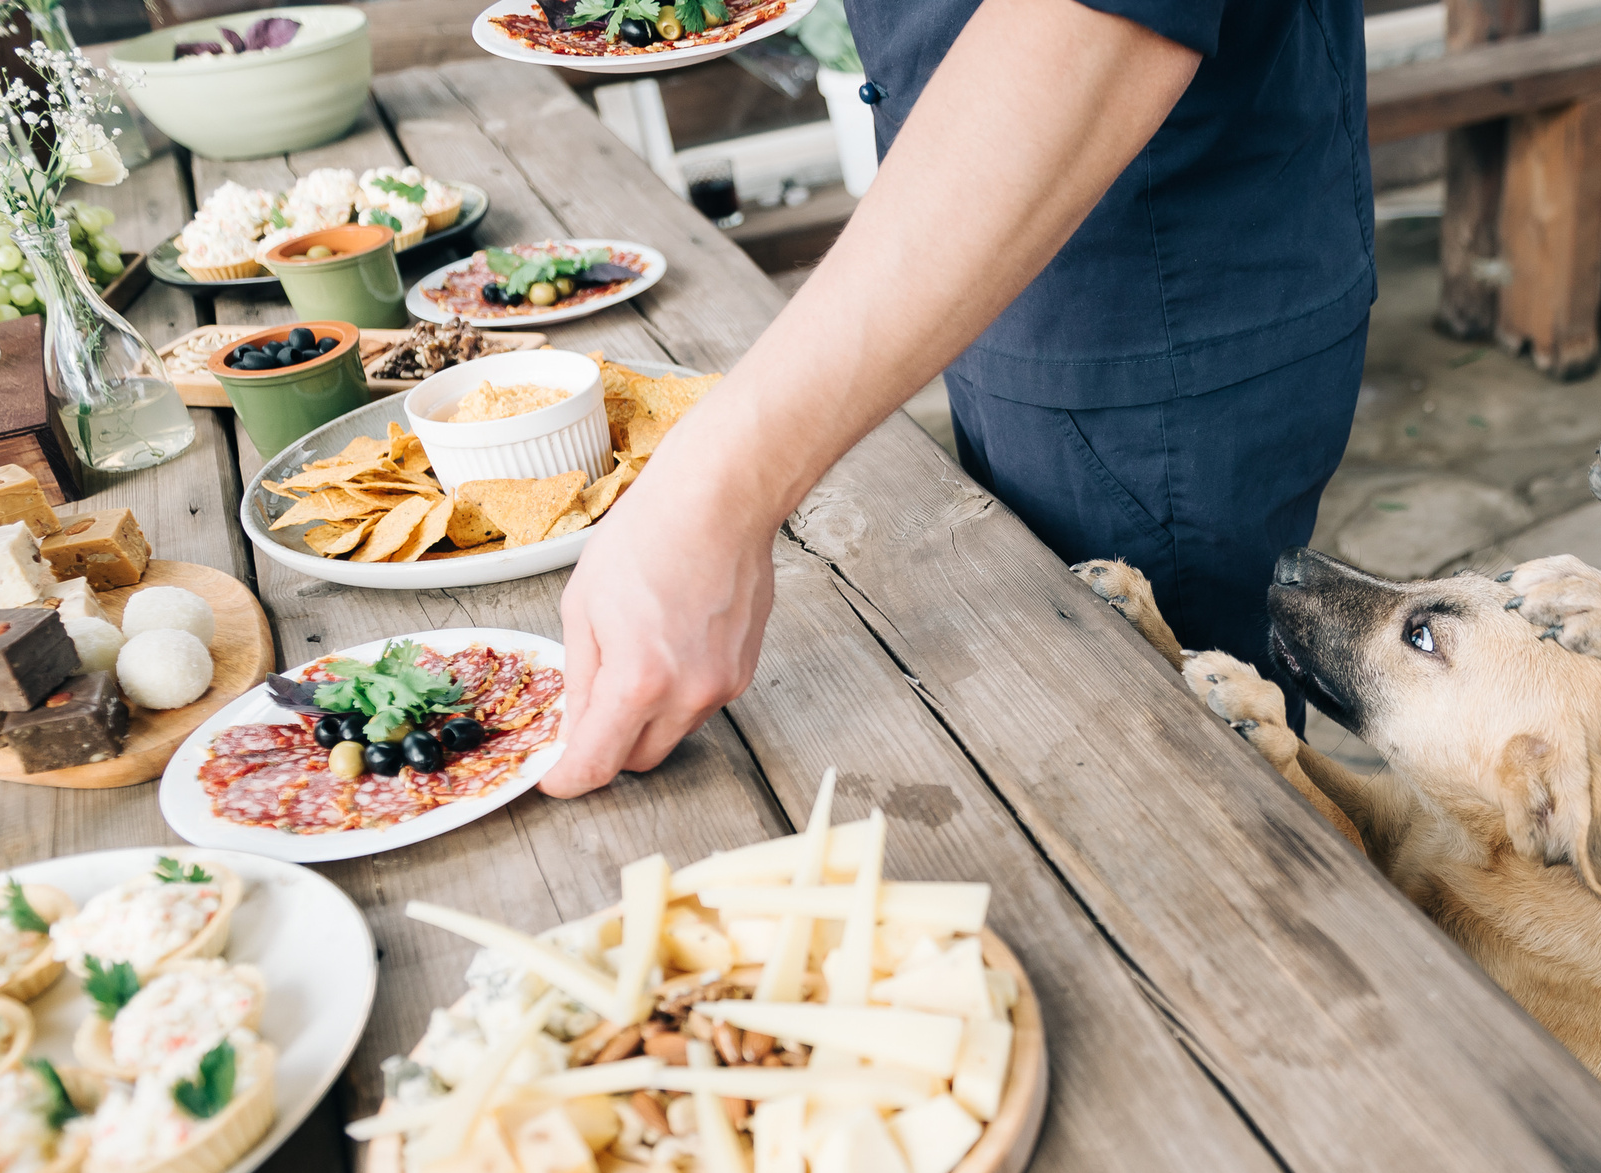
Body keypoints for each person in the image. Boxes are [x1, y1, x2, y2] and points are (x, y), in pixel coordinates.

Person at [542, 0, 1374, 797]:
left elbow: (1106, 17)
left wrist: (714, 491)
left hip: (1148, 309)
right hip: (1013, 280)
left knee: (1190, 798)